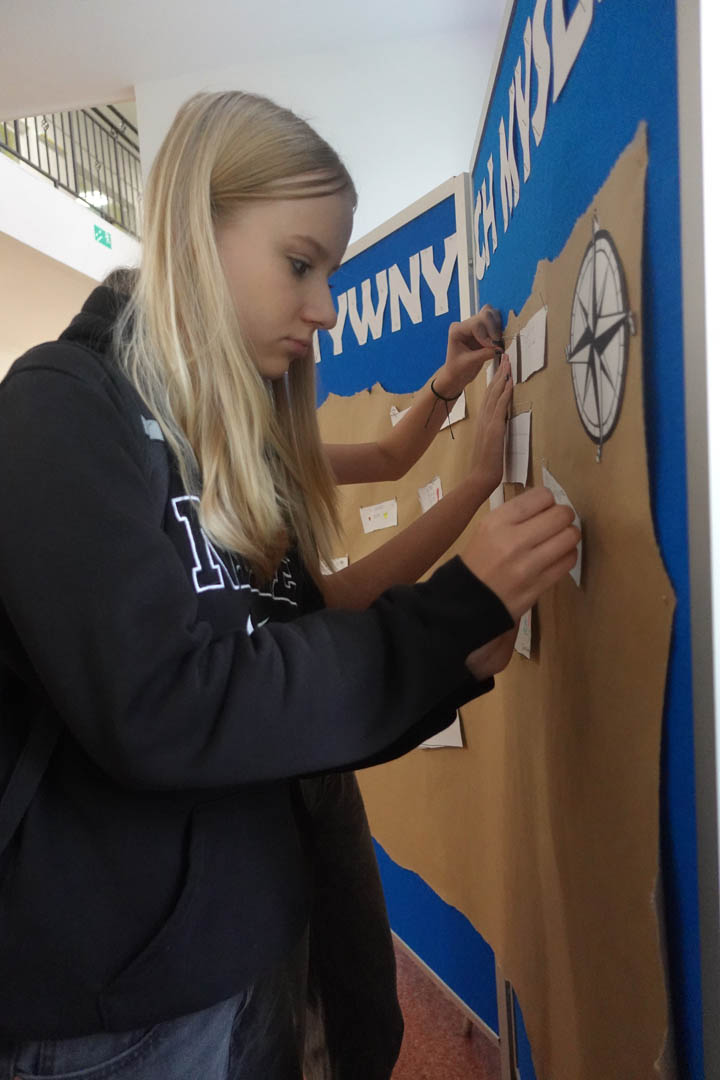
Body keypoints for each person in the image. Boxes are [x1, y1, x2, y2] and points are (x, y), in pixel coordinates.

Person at [0, 91, 578, 1080]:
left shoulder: (227, 435)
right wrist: (445, 616)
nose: (326, 309)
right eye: (300, 264)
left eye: (332, 272)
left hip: (250, 942)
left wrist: (457, 599)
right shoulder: (59, 411)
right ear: (197, 229)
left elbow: (306, 620)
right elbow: (167, 704)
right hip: (124, 1006)